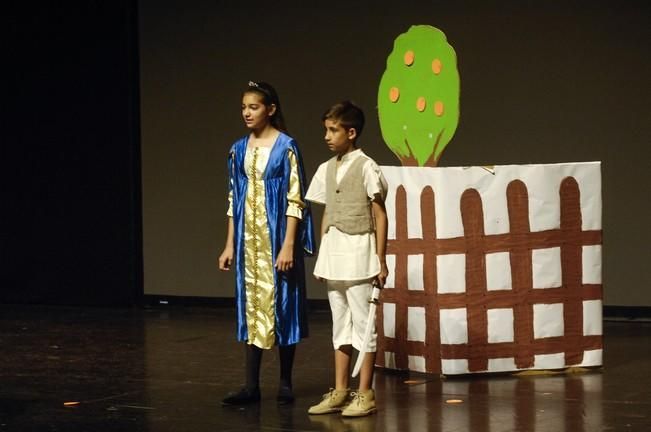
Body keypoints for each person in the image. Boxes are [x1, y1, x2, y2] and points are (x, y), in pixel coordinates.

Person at [218, 81, 315, 406]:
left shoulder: (286, 146)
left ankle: (285, 382)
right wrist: (230, 244)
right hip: (249, 243)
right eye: (244, 107)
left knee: (283, 304)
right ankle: (251, 385)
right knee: (252, 306)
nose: (247, 112)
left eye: (254, 107)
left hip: (276, 240)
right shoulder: (238, 149)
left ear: (270, 109)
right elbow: (235, 198)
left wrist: (289, 244)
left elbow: (295, 199)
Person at [305, 101, 388, 417]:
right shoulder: (327, 168)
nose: (327, 136)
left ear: (350, 133)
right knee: (340, 324)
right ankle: (340, 390)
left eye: (333, 130)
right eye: (326, 129)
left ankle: (365, 393)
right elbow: (328, 214)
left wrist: (382, 259)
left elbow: (380, 215)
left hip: (359, 253)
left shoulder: (366, 166)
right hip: (335, 255)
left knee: (364, 326)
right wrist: (323, 257)